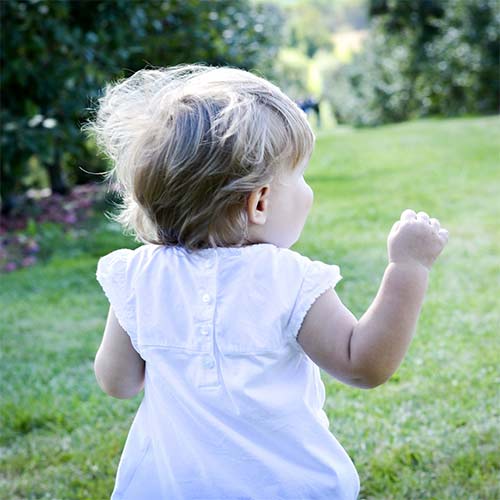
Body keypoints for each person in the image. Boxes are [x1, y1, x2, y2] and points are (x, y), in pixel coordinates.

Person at [88, 65, 448, 500]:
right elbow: (363, 364)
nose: (306, 190)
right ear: (259, 201)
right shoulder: (288, 280)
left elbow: (118, 382)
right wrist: (407, 269)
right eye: (299, 176)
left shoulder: (137, 276)